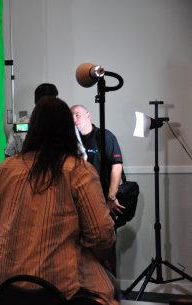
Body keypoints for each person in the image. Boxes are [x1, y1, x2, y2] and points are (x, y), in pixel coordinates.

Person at [0, 97, 117, 304]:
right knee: (109, 288)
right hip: (58, 288)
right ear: (68, 129)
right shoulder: (78, 170)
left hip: (5, 287)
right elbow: (101, 234)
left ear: (33, 128)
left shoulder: (3, 169)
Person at [70, 104, 124, 276]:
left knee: (105, 250)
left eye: (77, 114)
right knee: (82, 253)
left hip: (103, 204)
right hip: (79, 205)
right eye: (71, 116)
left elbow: (117, 167)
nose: (74, 119)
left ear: (88, 115)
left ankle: (111, 295)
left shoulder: (104, 137)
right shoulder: (71, 141)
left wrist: (111, 197)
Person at [5, 83, 86, 159]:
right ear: (56, 100)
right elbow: (81, 155)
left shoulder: (20, 124)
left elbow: (9, 153)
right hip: (58, 170)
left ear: (35, 101)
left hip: (28, 170)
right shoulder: (66, 122)